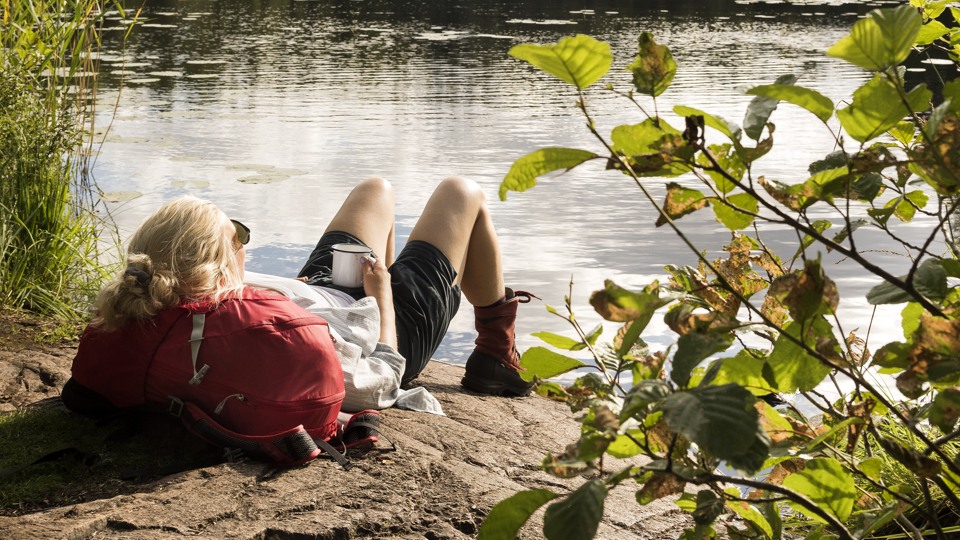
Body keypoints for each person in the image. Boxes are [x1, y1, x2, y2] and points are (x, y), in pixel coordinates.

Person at [62, 176, 535, 426]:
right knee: (462, 193)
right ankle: (496, 349)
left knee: (377, 189)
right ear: (219, 263)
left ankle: (389, 286)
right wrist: (383, 299)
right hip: (383, 324)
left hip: (322, 293)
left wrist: (292, 292)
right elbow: (380, 381)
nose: (245, 243)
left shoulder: (151, 296)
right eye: (238, 236)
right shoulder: (257, 334)